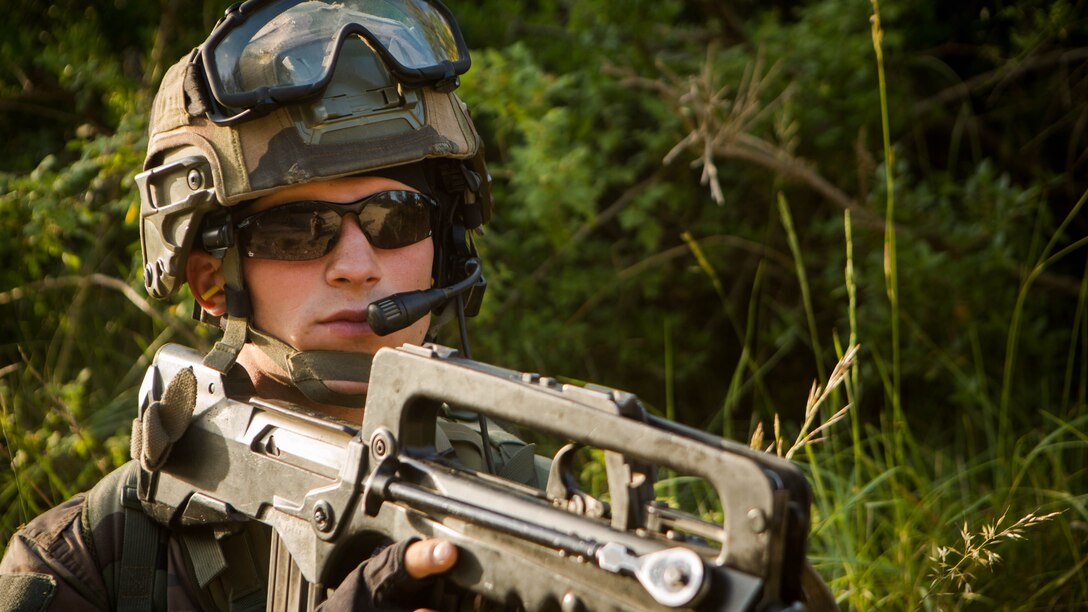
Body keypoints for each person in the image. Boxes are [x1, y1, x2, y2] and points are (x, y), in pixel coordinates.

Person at [0, 0, 530, 608]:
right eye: (299, 230)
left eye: (396, 217)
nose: (356, 266)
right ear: (211, 280)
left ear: (446, 247)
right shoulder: (87, 560)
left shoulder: (531, 517)